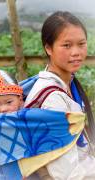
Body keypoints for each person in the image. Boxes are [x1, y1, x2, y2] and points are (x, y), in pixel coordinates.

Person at [23, 11, 95, 179]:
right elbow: (66, 174)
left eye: (81, 44)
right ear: (48, 47)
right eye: (67, 45)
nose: (76, 52)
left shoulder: (68, 84)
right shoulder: (52, 100)